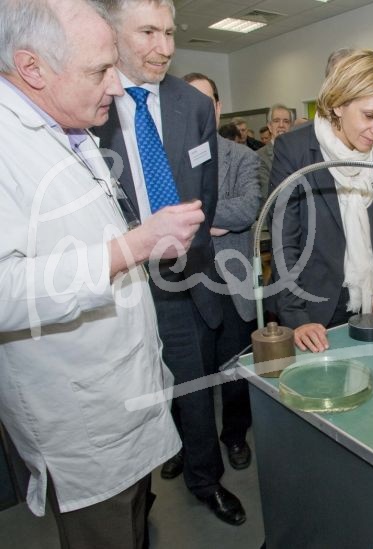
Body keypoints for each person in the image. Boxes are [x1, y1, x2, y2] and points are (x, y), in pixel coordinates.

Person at [0, 0, 208, 545]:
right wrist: (133, 247)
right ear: (32, 68)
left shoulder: (70, 129)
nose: (116, 88)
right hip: (82, 420)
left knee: (134, 521)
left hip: (124, 395)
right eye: (99, 72)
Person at [93, 0, 246, 526]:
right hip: (113, 278)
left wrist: (188, 250)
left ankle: (205, 480)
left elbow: (204, 195)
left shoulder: (192, 104)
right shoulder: (89, 99)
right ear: (112, 32)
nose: (164, 48)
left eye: (170, 33)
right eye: (148, 33)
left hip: (181, 277)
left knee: (193, 386)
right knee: (127, 395)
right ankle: (135, 492)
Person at [269, 49, 373, 353]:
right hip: (313, 309)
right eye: (369, 116)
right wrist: (296, 317)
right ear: (338, 104)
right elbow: (283, 240)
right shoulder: (295, 149)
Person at [184, 72, 261, 471]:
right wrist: (214, 221)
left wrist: (196, 217)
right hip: (184, 282)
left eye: (206, 102)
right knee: (190, 373)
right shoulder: (168, 158)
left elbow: (248, 208)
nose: (199, 110)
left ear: (217, 107)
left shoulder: (243, 156)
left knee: (234, 370)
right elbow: (161, 215)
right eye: (189, 102)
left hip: (231, 281)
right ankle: (190, 449)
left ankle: (235, 435)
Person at [256, 103, 294, 200]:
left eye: (286, 121)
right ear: (269, 126)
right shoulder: (259, 157)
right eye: (276, 121)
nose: (281, 125)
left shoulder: (301, 153)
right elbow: (267, 192)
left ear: (291, 126)